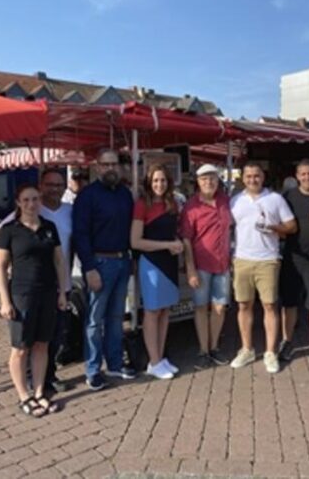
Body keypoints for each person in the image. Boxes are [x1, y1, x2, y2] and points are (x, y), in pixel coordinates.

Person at [0, 168, 74, 394]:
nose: (32, 204)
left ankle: (43, 385)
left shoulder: (51, 224)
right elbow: (0, 265)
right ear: (19, 202)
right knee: (22, 345)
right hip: (22, 292)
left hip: (51, 290)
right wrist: (4, 300)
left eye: (35, 199)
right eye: (27, 200)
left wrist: (62, 291)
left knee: (47, 341)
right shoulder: (10, 227)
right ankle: (25, 390)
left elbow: (59, 261)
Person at [73, 149, 135, 391]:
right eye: (105, 164)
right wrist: (89, 268)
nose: (111, 168)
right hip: (99, 263)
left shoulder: (125, 194)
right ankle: (92, 370)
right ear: (97, 167)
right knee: (94, 320)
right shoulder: (87, 196)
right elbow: (81, 234)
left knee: (116, 318)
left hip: (122, 262)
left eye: (114, 164)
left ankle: (115, 364)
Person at [230, 162, 296, 374]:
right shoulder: (235, 200)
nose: (252, 180)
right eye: (248, 176)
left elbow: (291, 226)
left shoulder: (275, 199)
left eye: (256, 176)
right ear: (243, 177)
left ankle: (270, 352)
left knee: (269, 306)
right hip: (242, 259)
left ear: (263, 177)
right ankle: (247, 349)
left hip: (268, 259)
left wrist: (273, 227)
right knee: (244, 305)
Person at [131, 164, 184, 380]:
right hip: (151, 263)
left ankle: (160, 358)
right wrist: (167, 246)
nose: (159, 184)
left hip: (169, 262)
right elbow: (135, 241)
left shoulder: (173, 204)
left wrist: (177, 243)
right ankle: (153, 361)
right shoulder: (142, 205)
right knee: (152, 312)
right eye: (155, 181)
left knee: (165, 311)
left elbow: (175, 231)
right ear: (148, 183)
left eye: (162, 180)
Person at [180, 164, 232, 370]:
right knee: (201, 307)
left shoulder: (226, 202)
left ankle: (214, 346)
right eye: (204, 179)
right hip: (201, 264)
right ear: (198, 182)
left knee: (219, 307)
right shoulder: (191, 207)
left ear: (217, 180)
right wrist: (190, 268)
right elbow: (186, 239)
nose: (208, 182)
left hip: (223, 264)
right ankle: (203, 350)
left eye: (212, 178)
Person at [278, 159, 309, 365]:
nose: (307, 177)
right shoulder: (287, 197)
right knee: (289, 302)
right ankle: (287, 341)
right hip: (292, 257)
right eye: (303, 174)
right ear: (297, 176)